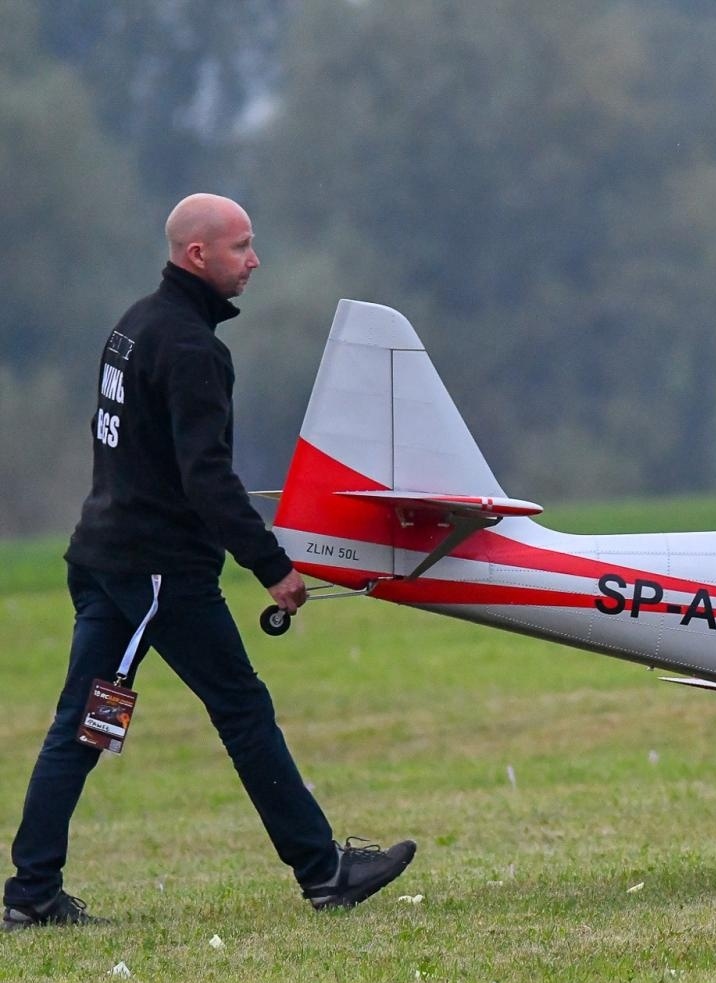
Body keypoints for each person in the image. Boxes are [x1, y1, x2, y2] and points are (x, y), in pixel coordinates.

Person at [3, 194, 416, 929]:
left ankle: (32, 894)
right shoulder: (193, 350)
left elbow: (127, 445)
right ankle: (325, 873)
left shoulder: (133, 325)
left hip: (106, 560)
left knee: (87, 723)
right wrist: (272, 564)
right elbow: (208, 479)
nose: (255, 260)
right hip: (157, 576)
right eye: (241, 246)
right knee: (239, 710)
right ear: (198, 254)